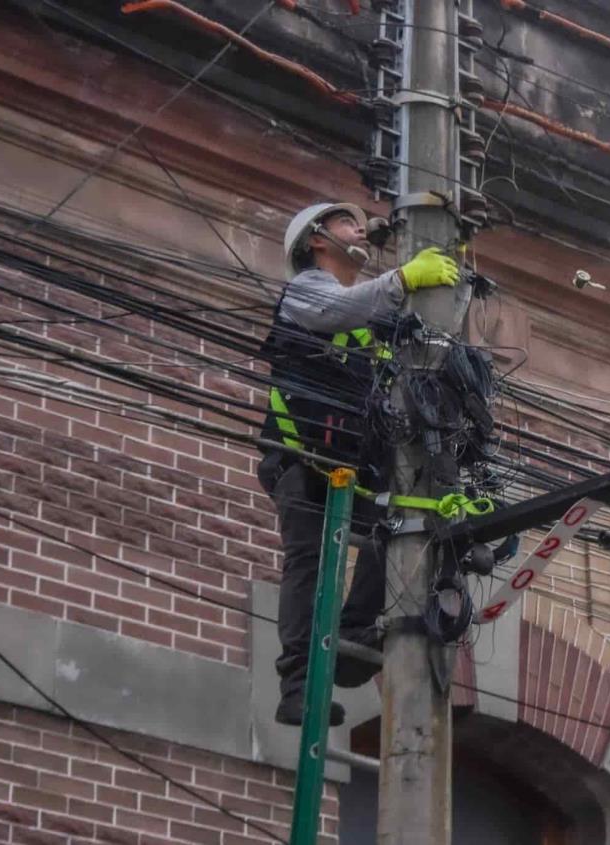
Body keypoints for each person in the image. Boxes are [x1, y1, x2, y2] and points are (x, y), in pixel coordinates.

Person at [256, 201, 459, 726]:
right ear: (317, 240)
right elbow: (337, 312)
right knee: (309, 558)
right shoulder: (307, 290)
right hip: (300, 456)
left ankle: (349, 634)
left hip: (353, 464)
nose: (359, 228)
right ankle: (297, 685)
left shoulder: (374, 313)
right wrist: (404, 275)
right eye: (347, 221)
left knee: (394, 532)